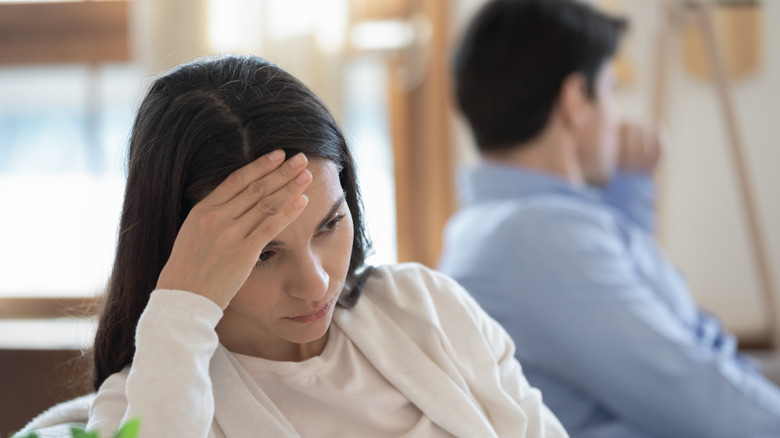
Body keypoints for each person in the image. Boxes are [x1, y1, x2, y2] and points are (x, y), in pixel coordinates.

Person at [34, 54, 571, 438]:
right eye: (263, 253)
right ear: (186, 254)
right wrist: (178, 312)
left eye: (329, 224)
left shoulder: (427, 307)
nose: (315, 283)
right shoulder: (148, 399)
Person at [438, 1, 780, 437]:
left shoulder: (497, 225)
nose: (617, 115)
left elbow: (644, 299)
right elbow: (693, 392)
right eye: (612, 89)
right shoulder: (542, 240)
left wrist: (627, 183)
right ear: (576, 100)